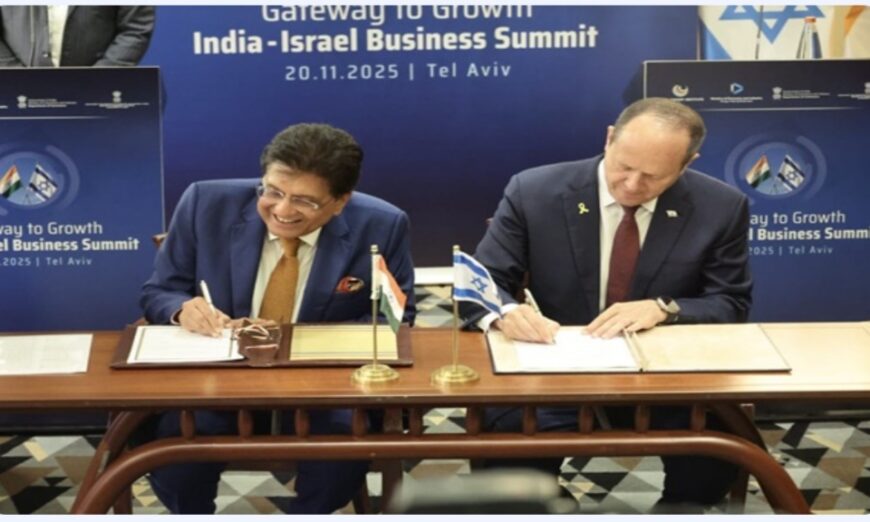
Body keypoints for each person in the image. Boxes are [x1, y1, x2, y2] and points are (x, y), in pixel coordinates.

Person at [466, 98, 752, 510]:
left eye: (653, 176)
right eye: (624, 166)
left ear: (687, 164)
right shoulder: (534, 191)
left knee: (719, 453)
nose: (632, 185)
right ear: (609, 138)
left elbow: (730, 302)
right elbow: (482, 282)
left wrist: (665, 309)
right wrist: (506, 313)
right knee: (506, 455)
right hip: (552, 375)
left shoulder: (720, 206)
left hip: (665, 380)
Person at [139, 123, 416, 513]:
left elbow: (395, 320)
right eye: (273, 191)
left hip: (322, 390)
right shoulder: (205, 202)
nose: (282, 211)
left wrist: (297, 340)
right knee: (175, 451)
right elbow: (160, 291)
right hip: (217, 384)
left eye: (304, 201)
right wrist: (182, 309)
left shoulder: (382, 225)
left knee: (341, 451)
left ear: (340, 202)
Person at [0, 6, 154, 67]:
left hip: (98, 97)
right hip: (14, 95)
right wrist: (13, 73)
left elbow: (135, 28)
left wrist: (100, 78)